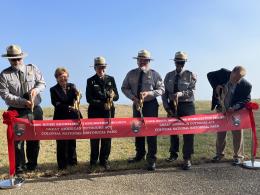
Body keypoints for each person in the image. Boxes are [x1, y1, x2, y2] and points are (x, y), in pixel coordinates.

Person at [0, 45, 46, 173]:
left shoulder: (32, 68)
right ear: (9, 60)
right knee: (18, 140)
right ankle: (20, 168)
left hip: (35, 109)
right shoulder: (4, 75)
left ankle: (32, 165)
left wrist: (35, 91)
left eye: (18, 58)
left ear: (22, 57)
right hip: (17, 111)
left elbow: (42, 83)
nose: (16, 61)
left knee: (34, 138)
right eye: (13, 59)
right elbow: (5, 95)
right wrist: (23, 102)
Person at [121, 49, 165, 171]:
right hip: (136, 105)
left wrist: (150, 93)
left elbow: (162, 89)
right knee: (137, 130)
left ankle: (151, 159)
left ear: (148, 61)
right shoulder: (131, 74)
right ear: (137, 61)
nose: (142, 62)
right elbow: (124, 88)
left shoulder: (155, 74)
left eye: (145, 60)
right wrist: (132, 97)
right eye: (140, 59)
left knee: (151, 131)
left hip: (150, 105)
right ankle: (139, 155)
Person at [207, 66, 252, 165]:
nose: (236, 81)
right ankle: (219, 154)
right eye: (235, 78)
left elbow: (247, 99)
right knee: (220, 133)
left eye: (239, 79)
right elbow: (209, 75)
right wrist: (216, 85)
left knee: (237, 133)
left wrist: (235, 107)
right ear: (231, 72)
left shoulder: (247, 85)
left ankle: (238, 156)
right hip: (220, 109)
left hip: (235, 112)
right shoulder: (223, 73)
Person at [162, 51, 196, 170]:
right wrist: (166, 107)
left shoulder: (190, 75)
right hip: (172, 106)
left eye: (182, 62)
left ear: (184, 63)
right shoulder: (168, 76)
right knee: (173, 131)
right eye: (177, 61)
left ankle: (187, 158)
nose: (179, 64)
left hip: (187, 106)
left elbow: (192, 91)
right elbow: (164, 93)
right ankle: (173, 154)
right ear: (174, 62)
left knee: (188, 133)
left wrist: (180, 94)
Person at [86, 56, 119, 170]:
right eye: (99, 67)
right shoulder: (90, 81)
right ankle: (93, 161)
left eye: (103, 67)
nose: (101, 69)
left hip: (109, 113)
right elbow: (89, 99)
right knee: (95, 137)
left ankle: (104, 160)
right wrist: (101, 104)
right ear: (95, 68)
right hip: (95, 112)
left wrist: (113, 96)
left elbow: (117, 96)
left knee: (107, 137)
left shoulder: (111, 79)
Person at [50, 67, 82, 170]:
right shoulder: (53, 89)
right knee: (61, 142)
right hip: (60, 118)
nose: (63, 78)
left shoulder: (72, 86)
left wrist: (79, 95)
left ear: (67, 76)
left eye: (65, 76)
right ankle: (62, 165)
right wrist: (68, 106)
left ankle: (72, 162)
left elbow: (77, 98)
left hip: (72, 118)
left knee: (72, 140)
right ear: (56, 78)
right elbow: (56, 104)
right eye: (60, 76)